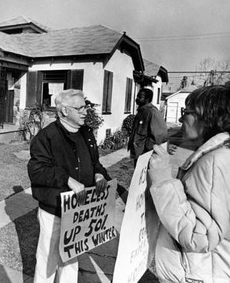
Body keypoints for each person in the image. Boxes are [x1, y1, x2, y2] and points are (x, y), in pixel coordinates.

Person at [148, 85, 230, 283]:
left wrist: (163, 179)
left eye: (187, 112)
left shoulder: (214, 161)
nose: (180, 119)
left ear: (208, 117)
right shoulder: (222, 154)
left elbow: (199, 236)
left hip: (199, 274)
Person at [27, 89, 110, 282]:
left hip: (79, 209)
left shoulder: (87, 134)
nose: (85, 111)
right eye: (80, 107)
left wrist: (99, 174)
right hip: (54, 209)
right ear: (64, 111)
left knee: (71, 258)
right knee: (48, 259)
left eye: (85, 107)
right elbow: (37, 171)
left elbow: (95, 162)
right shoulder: (46, 137)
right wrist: (67, 179)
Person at [128, 87, 168, 166]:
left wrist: (147, 150)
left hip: (145, 154)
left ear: (148, 99)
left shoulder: (152, 112)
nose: (137, 99)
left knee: (145, 176)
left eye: (140, 97)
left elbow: (160, 135)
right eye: (137, 96)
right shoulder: (141, 111)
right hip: (138, 152)